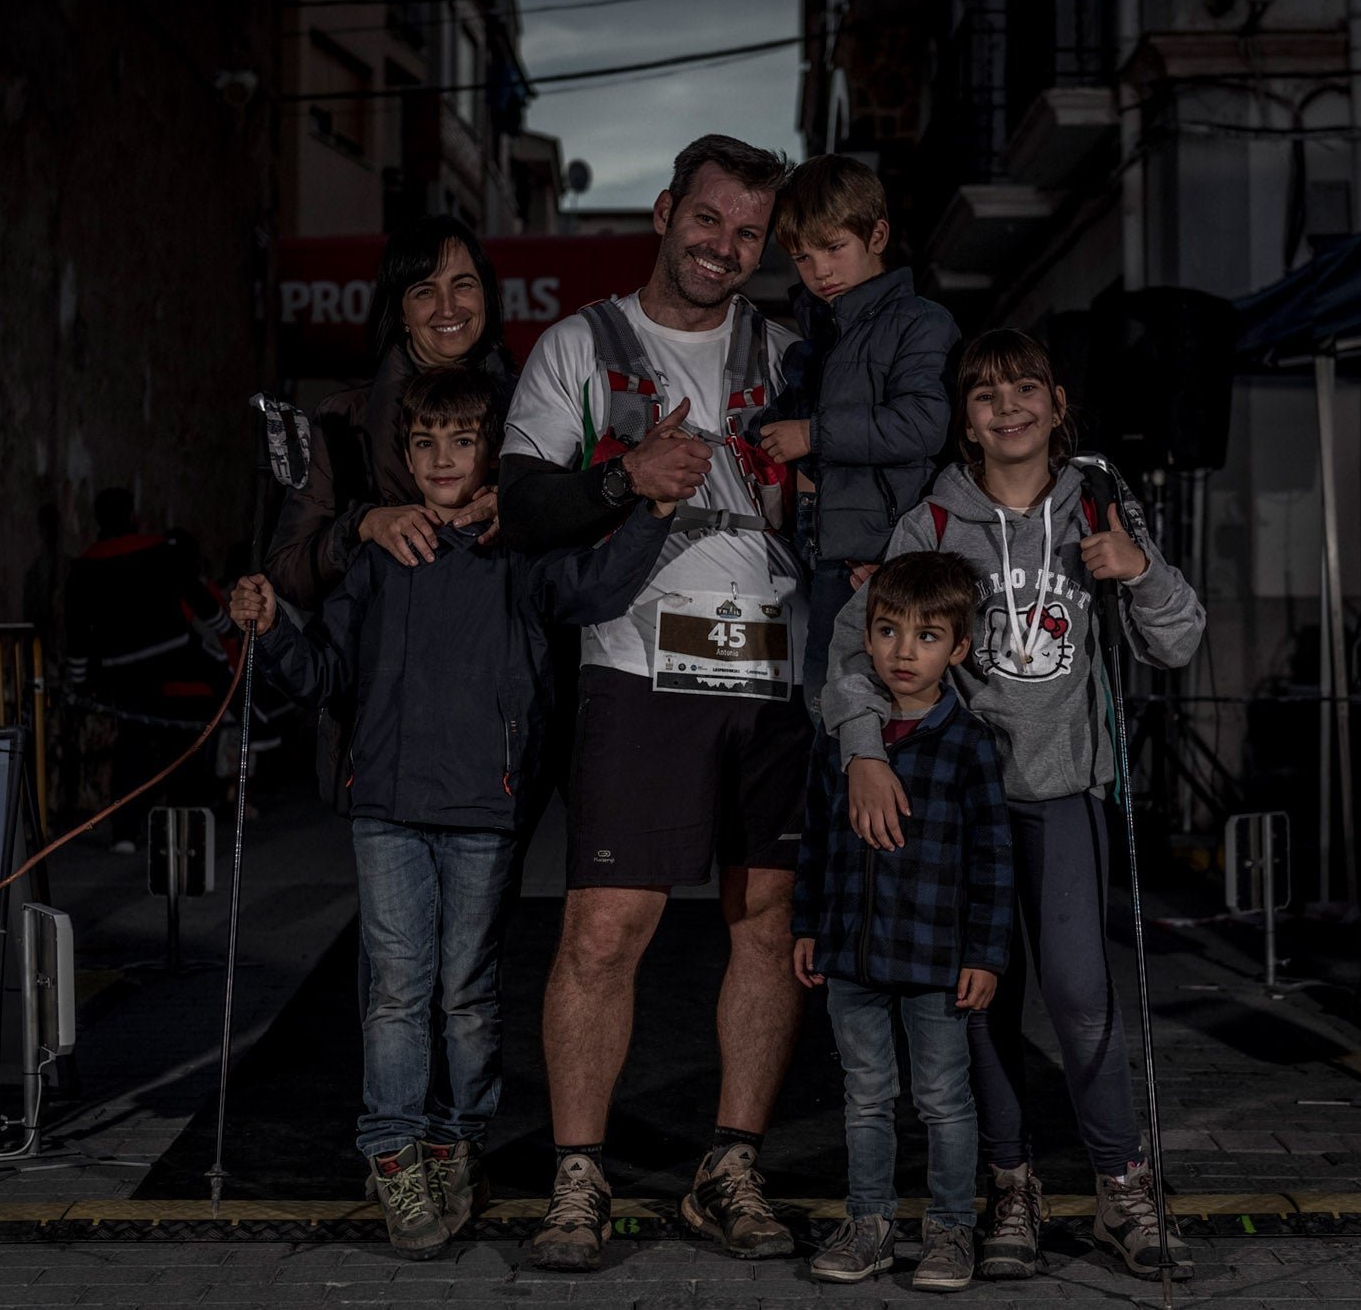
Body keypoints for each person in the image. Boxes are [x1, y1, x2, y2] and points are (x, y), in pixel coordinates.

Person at [229, 367, 677, 1259]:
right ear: (404, 455)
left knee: (467, 991)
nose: (442, 458)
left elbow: (592, 589)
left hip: (484, 807)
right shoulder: (378, 557)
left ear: (492, 454)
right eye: (424, 442)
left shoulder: (518, 553)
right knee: (398, 990)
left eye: (461, 441)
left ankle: (458, 1141)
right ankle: (395, 1152)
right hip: (386, 807)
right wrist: (273, 627)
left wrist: (653, 518)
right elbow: (325, 679)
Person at [821, 328, 1204, 1284]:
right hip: (958, 802)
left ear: (1057, 402)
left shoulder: (1100, 508)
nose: (1008, 409)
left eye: (1025, 390)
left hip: (1063, 793)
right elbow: (846, 656)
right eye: (986, 396)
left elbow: (1179, 640)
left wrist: (1139, 569)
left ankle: (1123, 1184)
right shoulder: (932, 526)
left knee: (1077, 991)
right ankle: (1011, 1182)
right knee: (977, 998)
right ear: (967, 419)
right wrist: (864, 750)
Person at [497, 134, 808, 1272]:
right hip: (636, 667)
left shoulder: (785, 354)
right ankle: (576, 1178)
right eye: (709, 219)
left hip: (773, 671)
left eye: (747, 233)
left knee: (763, 923)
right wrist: (624, 477)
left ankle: (728, 1168)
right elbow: (523, 506)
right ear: (666, 209)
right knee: (601, 930)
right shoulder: (580, 343)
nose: (724, 247)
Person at [793, 551, 1014, 1294]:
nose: (902, 652)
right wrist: (807, 926)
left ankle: (951, 1229)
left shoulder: (969, 744)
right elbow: (819, 840)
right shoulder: (843, 740)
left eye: (926, 637)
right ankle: (870, 1225)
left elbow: (992, 860)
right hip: (852, 953)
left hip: (936, 960)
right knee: (865, 1094)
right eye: (887, 631)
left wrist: (985, 953)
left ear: (958, 648)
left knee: (944, 1099)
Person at [744, 154, 959, 715]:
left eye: (834, 248)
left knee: (861, 710)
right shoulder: (822, 333)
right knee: (824, 706)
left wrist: (811, 434)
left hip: (878, 556)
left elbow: (923, 425)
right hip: (817, 551)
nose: (820, 272)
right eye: (803, 258)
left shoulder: (920, 321)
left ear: (878, 234)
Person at [265, 213, 513, 611]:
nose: (448, 308)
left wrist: (522, 509)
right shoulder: (340, 421)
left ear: (486, 294)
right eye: (424, 291)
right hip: (380, 664)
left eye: (463, 284)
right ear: (400, 311)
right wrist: (364, 524)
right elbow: (288, 572)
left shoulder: (536, 406)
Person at [63, 488, 236, 852]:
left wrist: (78, 683)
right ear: (132, 514)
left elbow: (77, 631)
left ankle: (125, 832)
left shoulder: (83, 566)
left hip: (122, 670)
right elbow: (195, 595)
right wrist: (228, 628)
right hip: (173, 656)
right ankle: (184, 830)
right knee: (185, 740)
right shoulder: (160, 549)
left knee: (132, 745)